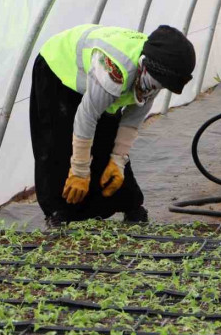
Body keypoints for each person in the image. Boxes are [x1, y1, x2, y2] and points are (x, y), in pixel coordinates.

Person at [30, 24, 196, 224]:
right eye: (155, 84)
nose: (156, 89)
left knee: (107, 139)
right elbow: (87, 116)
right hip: (59, 68)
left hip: (99, 80)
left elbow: (132, 119)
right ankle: (59, 211)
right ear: (143, 65)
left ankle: (129, 203)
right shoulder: (114, 68)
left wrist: (118, 160)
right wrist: (80, 170)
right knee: (60, 141)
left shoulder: (160, 70)